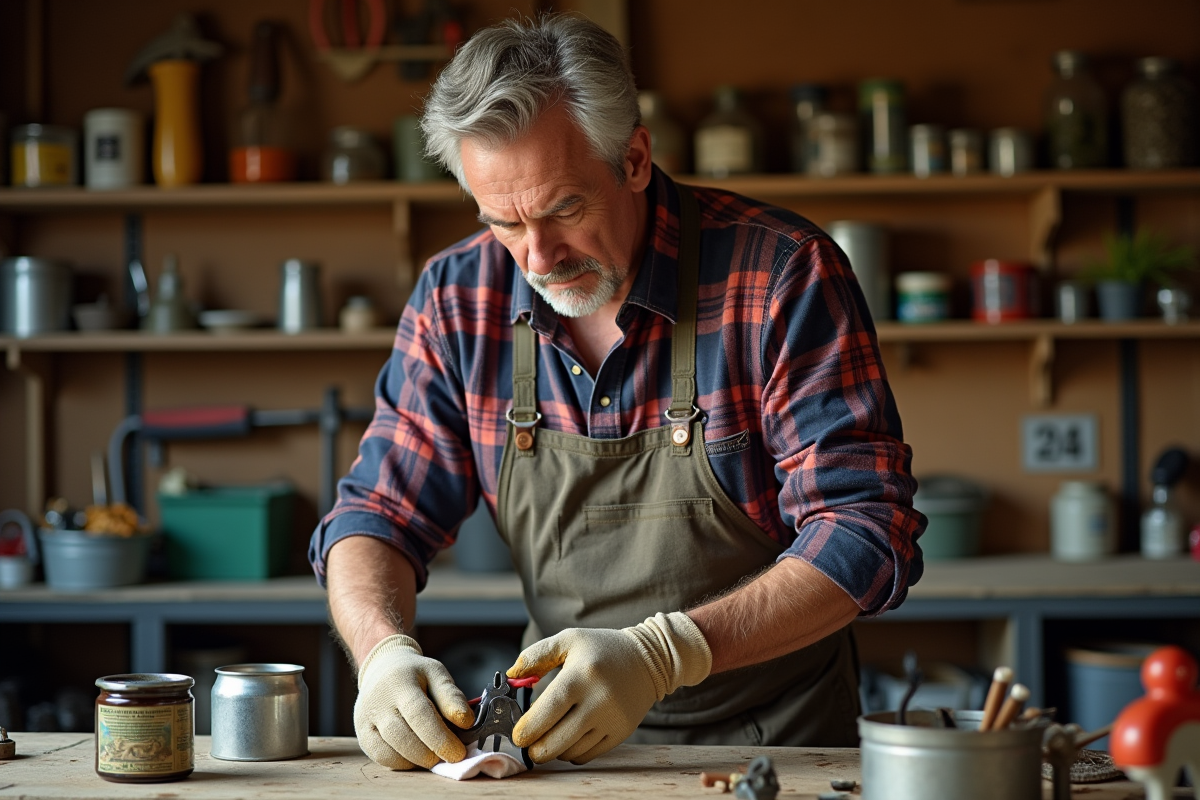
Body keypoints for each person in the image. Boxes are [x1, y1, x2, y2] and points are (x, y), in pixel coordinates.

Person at [308, 13, 925, 771]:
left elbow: (865, 528)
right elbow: (377, 513)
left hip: (779, 747)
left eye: (564, 208)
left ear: (634, 158)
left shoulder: (780, 276)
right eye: (504, 222)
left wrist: (665, 653)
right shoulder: (458, 296)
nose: (538, 255)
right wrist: (381, 655)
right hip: (560, 753)